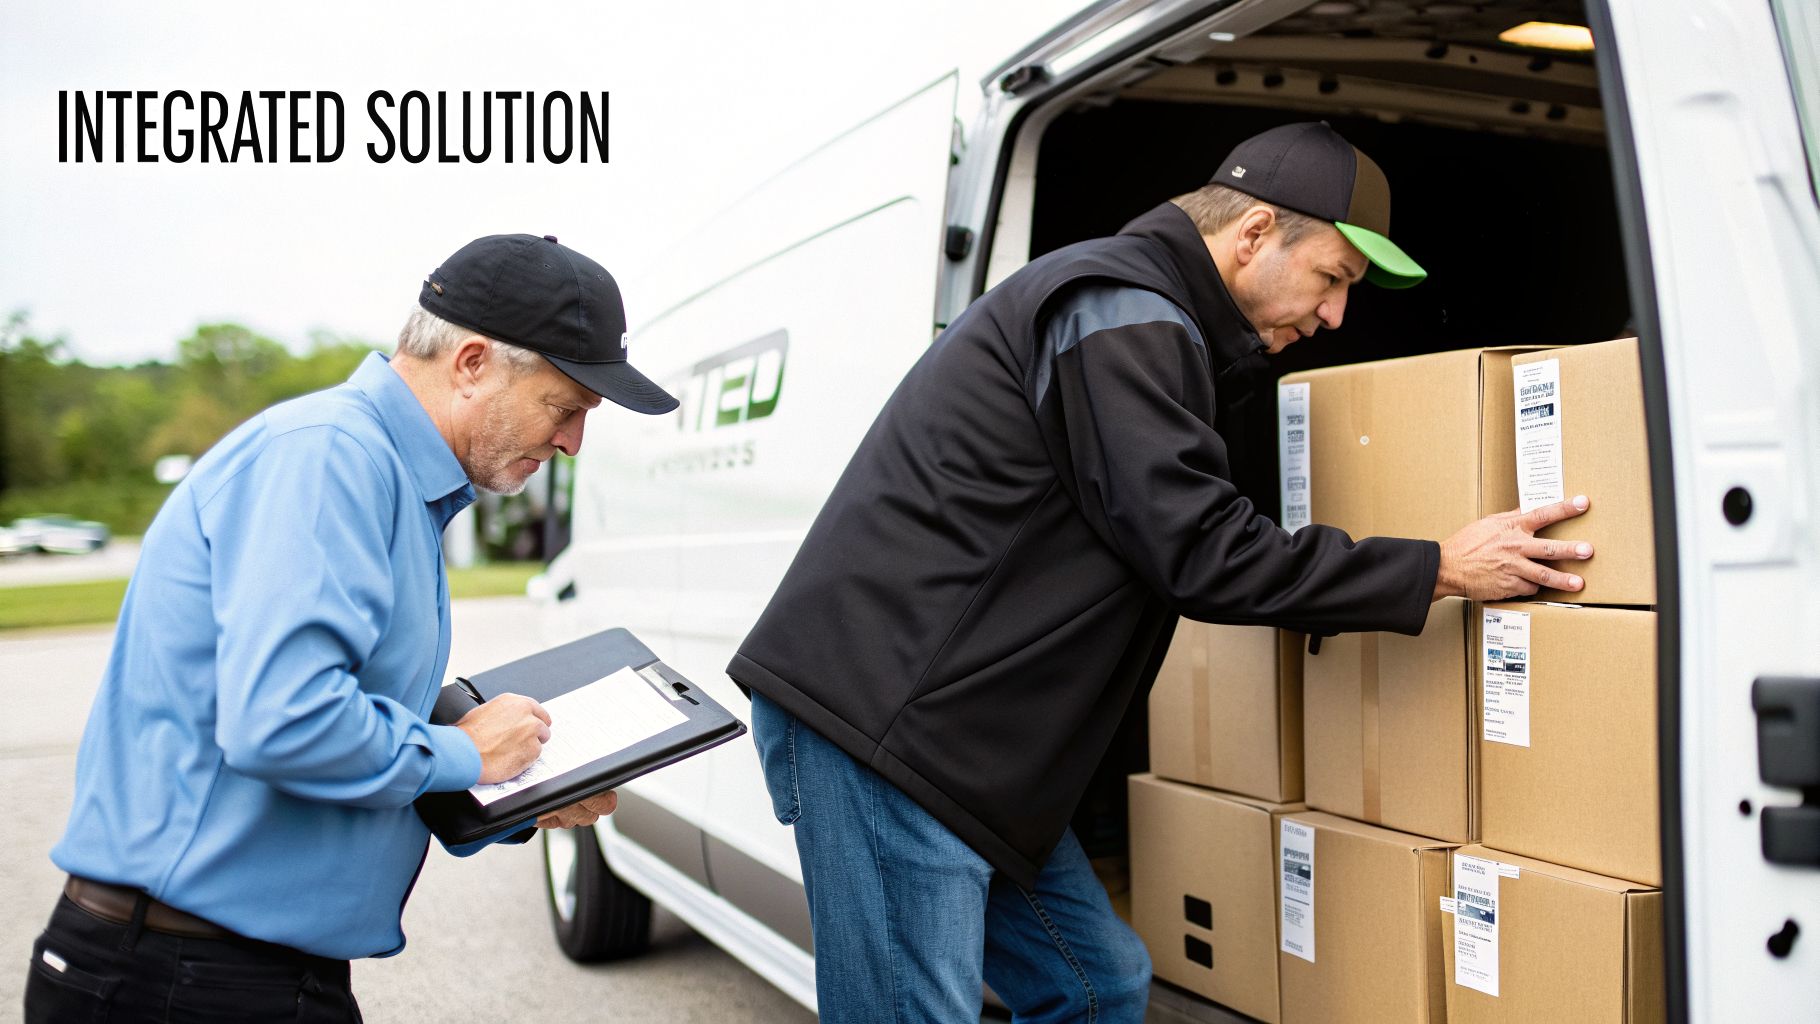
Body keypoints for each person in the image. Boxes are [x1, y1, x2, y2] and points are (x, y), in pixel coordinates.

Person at [727, 122, 1597, 1022]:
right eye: (1332, 278)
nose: (1337, 314)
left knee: (1098, 985)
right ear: (1254, 233)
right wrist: (1441, 568)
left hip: (970, 749)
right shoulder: (1119, 310)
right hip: (893, 735)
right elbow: (1202, 551)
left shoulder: (1158, 324)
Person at [25, 233, 679, 1022]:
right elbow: (284, 722)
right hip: (183, 977)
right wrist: (467, 750)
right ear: (472, 362)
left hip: (236, 974)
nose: (573, 442)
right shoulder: (329, 459)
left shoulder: (397, 482)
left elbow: (349, 743)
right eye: (565, 407)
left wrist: (512, 790)